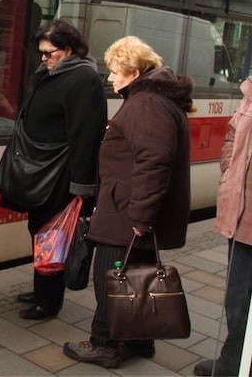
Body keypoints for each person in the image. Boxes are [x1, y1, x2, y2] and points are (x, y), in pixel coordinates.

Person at [63, 36, 192, 369]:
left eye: (115, 70)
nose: (110, 77)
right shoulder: (154, 100)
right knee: (137, 276)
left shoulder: (146, 104)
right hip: (131, 209)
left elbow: (154, 161)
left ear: (134, 71)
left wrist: (140, 215)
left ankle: (104, 343)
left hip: (126, 215)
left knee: (112, 278)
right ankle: (138, 339)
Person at [1, 19, 107, 320]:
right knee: (40, 229)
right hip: (42, 169)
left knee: (53, 235)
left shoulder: (82, 79)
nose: (44, 58)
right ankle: (40, 287)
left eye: (50, 53)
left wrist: (82, 187)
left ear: (70, 50)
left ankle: (49, 302)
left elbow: (86, 136)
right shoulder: (53, 73)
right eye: (41, 53)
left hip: (59, 175)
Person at [193, 76, 252, 376]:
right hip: (241, 218)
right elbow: (231, 135)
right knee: (237, 300)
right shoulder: (250, 92)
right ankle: (233, 362)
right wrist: (230, 169)